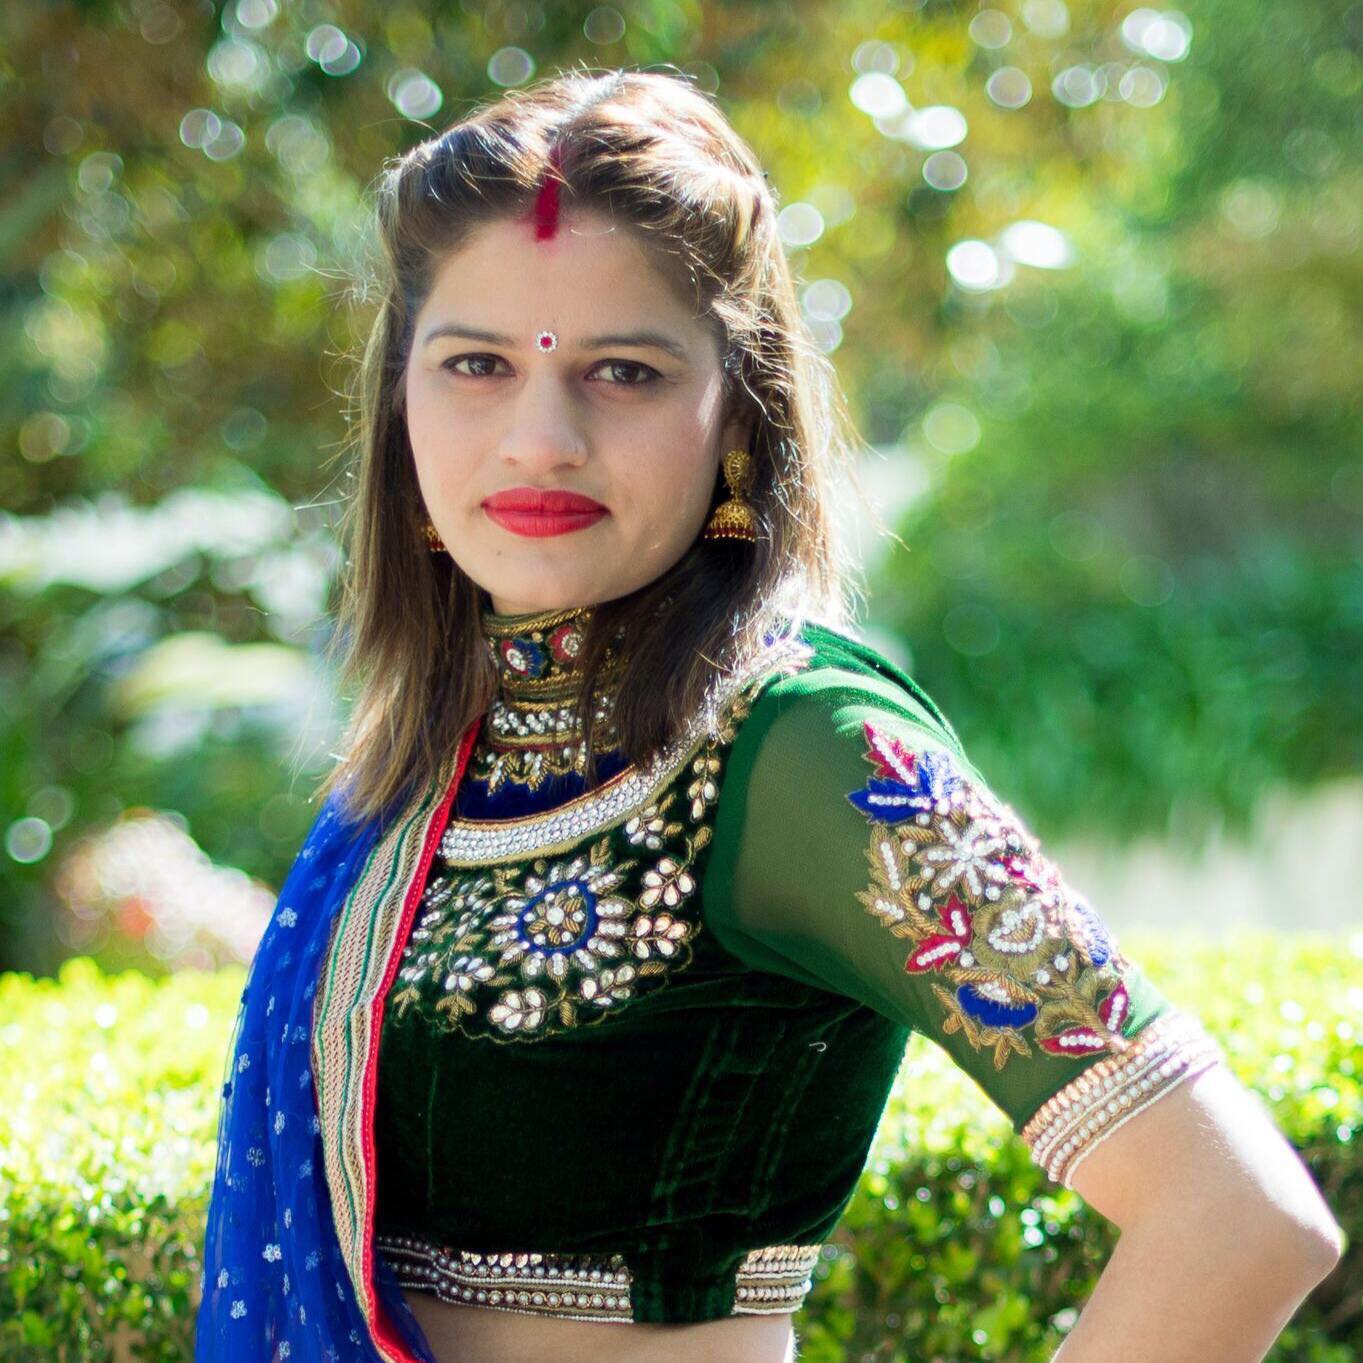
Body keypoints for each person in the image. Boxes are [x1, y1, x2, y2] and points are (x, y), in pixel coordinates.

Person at [194, 67, 1344, 1363]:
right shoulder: (431, 756)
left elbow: (1238, 1220)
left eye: (624, 372)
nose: (540, 438)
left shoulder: (800, 750)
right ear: (401, 403)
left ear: (738, 414)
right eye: (477, 365)